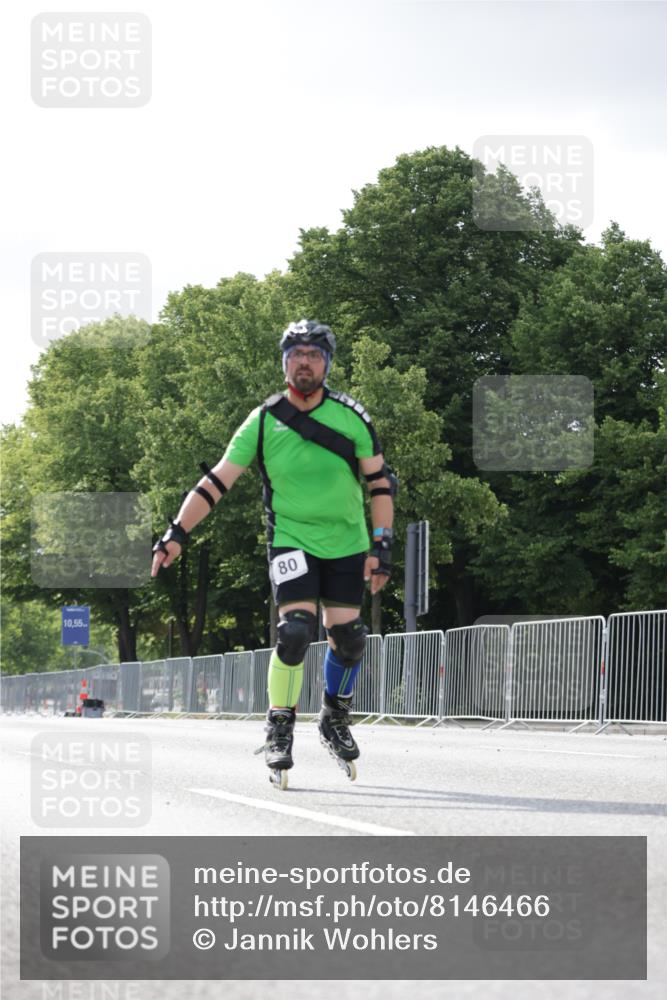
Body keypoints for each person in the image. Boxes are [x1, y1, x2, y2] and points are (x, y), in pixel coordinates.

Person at [151, 319, 395, 788]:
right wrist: (176, 532)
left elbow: (380, 483)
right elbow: (218, 480)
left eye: (314, 354)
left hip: (347, 544)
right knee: (295, 632)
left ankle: (334, 718)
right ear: (284, 363)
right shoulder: (263, 419)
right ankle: (279, 726)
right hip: (292, 540)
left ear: (327, 363)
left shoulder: (353, 418)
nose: (305, 361)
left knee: (350, 640)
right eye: (296, 353)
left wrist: (381, 546)